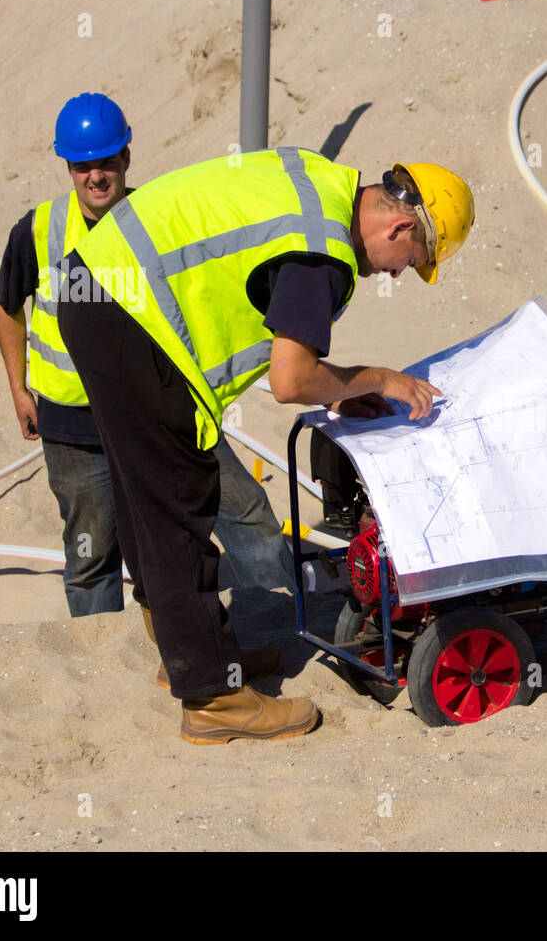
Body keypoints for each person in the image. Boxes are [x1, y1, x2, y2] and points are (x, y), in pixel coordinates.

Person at [57, 149, 474, 743]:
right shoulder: (322, 251)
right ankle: (211, 697)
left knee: (147, 482)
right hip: (128, 312)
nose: (398, 273)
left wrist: (339, 392)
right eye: (413, 260)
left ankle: (189, 648)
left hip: (99, 288)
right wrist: (376, 378)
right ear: (402, 226)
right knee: (177, 495)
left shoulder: (319, 182)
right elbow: (291, 380)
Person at [0, 94, 295, 631]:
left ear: (127, 157)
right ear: (67, 166)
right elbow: (7, 307)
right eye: (83, 165)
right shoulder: (38, 231)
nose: (96, 177)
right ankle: (104, 658)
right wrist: (19, 390)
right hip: (74, 426)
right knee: (91, 555)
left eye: (106, 161)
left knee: (245, 511)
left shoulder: (161, 218)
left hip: (165, 414)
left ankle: (281, 620)